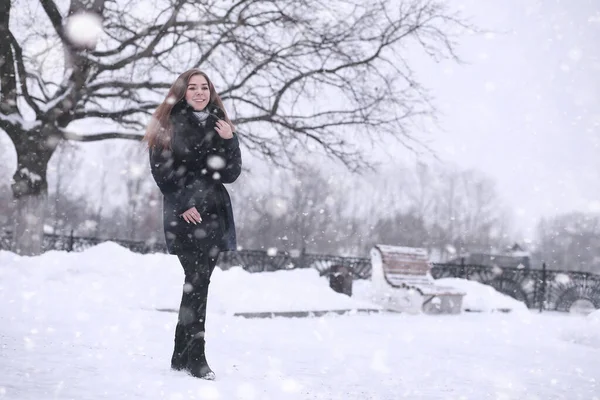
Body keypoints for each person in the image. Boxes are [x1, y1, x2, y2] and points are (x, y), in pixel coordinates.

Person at [144, 69, 242, 380]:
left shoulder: (220, 125)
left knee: (198, 284)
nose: (199, 93)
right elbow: (161, 169)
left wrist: (231, 140)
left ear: (211, 92)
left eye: (204, 88)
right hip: (184, 213)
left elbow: (230, 173)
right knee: (197, 282)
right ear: (183, 92)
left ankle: (181, 353)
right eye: (193, 88)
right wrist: (183, 201)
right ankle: (195, 356)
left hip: (213, 213)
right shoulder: (169, 124)